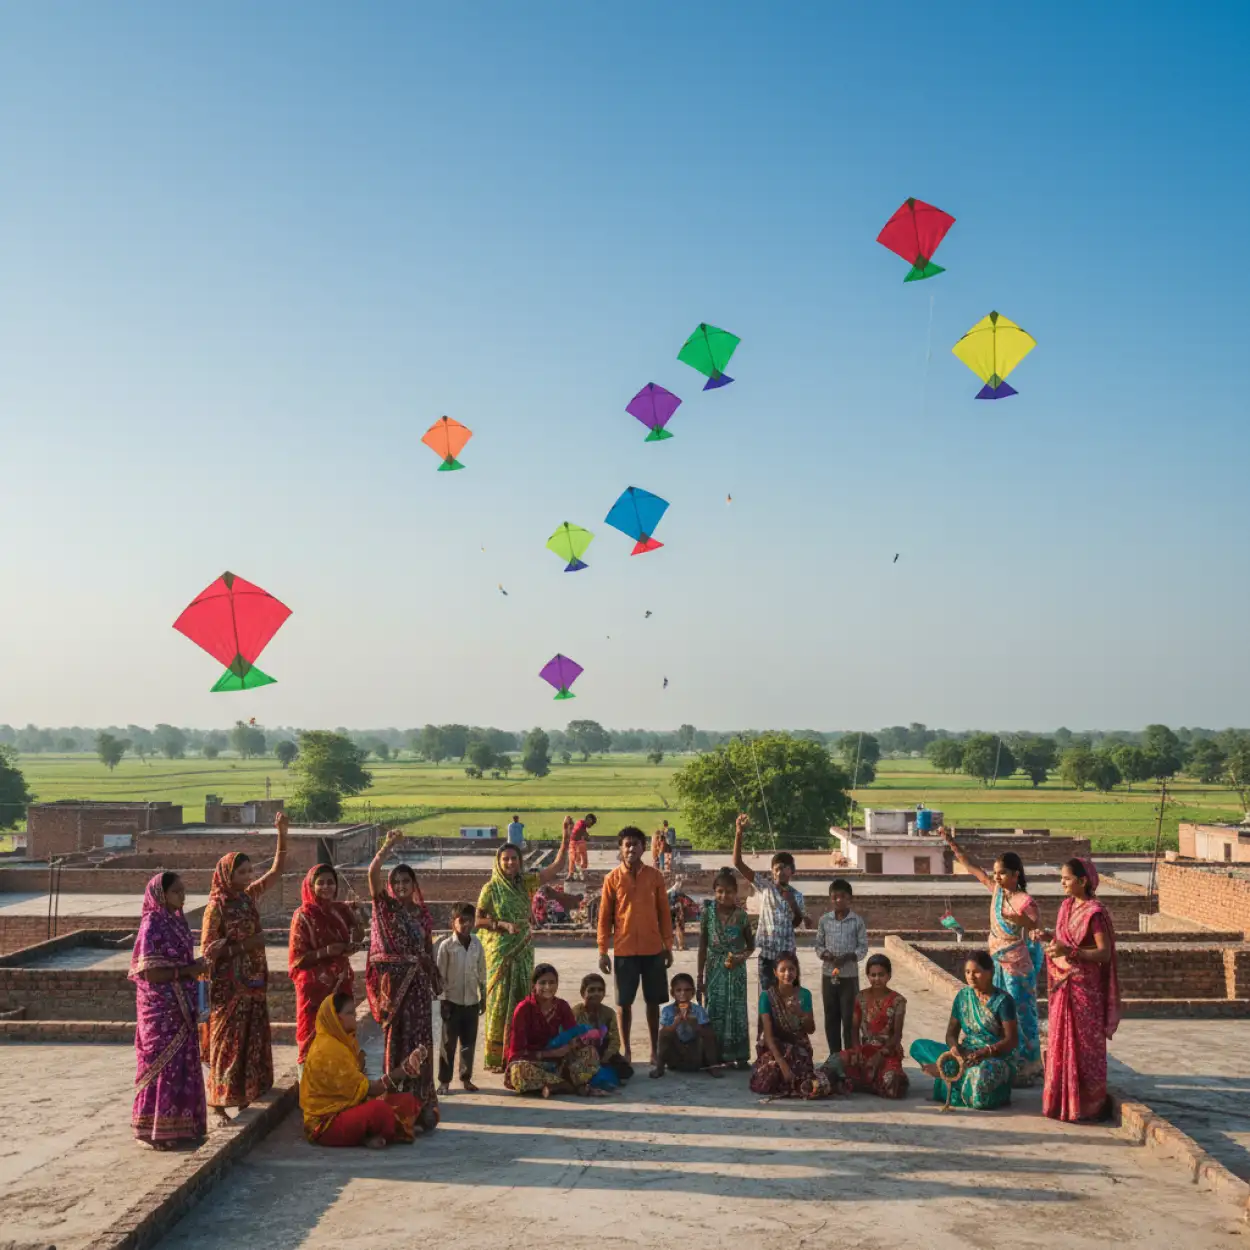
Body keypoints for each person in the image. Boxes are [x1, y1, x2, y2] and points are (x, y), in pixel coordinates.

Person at [201, 812, 288, 1123]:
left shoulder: (247, 898)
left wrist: (282, 833)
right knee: (228, 1043)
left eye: (250, 871)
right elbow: (208, 952)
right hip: (229, 987)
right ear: (227, 874)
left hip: (253, 983)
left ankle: (246, 1094)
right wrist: (244, 946)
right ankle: (219, 1102)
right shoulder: (217, 907)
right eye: (242, 872)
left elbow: (277, 872)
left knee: (251, 1040)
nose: (248, 877)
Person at [941, 829, 1042, 1085]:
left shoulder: (1025, 901)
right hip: (996, 963)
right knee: (998, 1014)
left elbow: (1036, 929)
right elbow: (971, 866)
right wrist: (952, 843)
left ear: (1016, 874)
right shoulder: (996, 892)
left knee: (1021, 1014)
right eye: (996, 872)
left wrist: (1020, 920)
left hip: (1017, 966)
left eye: (1003, 873)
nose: (997, 876)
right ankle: (1004, 1059)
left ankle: (1028, 1066)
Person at [476, 830, 571, 1070]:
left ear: (520, 861)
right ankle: (497, 1056)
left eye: (514, 859)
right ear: (498, 862)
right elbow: (478, 920)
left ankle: (519, 1052)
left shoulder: (526, 882)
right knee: (499, 1002)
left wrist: (565, 837)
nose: (510, 863)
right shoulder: (490, 889)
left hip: (524, 950)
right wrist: (501, 925)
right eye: (505, 859)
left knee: (523, 1001)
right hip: (501, 953)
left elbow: (556, 867)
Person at [130, 872, 209, 1147]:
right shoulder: (152, 924)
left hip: (182, 1006)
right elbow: (150, 973)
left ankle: (183, 1127)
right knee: (162, 1066)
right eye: (176, 892)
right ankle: (155, 1130)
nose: (182, 897)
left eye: (183, 891)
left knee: (183, 1065)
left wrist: (197, 966)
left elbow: (182, 963)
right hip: (160, 1010)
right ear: (161, 895)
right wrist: (189, 970)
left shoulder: (178, 923)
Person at [365, 829, 441, 1117]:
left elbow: (427, 949)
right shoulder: (386, 908)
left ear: (413, 884)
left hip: (418, 989)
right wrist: (387, 846)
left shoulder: (423, 915)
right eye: (395, 881)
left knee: (420, 1039)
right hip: (395, 989)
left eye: (405, 881)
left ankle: (421, 1099)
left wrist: (432, 975)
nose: (400, 886)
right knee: (398, 1039)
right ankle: (395, 1099)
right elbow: (372, 874)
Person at [1041, 857, 1122, 1123]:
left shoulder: (1094, 913)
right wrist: (1045, 938)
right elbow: (1061, 943)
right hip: (1063, 985)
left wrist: (1071, 952)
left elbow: (1104, 953)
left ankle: (1088, 1104)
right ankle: (1061, 1101)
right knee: (1060, 1043)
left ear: (1083, 880)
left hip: (1086, 989)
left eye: (1066, 878)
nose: (1062, 882)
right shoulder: (1065, 907)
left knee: (1086, 1047)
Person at [300, 992, 432, 1147]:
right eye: (349, 1013)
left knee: (406, 1100)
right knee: (380, 1110)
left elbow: (360, 1087)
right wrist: (402, 1070)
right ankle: (397, 1127)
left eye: (354, 1012)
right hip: (326, 1124)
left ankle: (387, 1129)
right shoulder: (328, 1050)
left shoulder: (344, 1041)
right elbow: (372, 1089)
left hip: (349, 1107)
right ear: (335, 1018)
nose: (354, 1016)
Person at [598, 826, 673, 1075]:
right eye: (627, 844)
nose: (631, 848)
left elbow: (664, 914)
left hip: (653, 949)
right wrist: (602, 950)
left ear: (644, 847)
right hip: (624, 949)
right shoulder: (612, 879)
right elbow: (604, 917)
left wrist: (668, 945)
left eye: (636, 844)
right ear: (620, 848)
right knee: (624, 1003)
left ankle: (654, 1050)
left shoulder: (655, 877)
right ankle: (627, 1049)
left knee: (654, 1002)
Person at [910, 952, 1018, 1110]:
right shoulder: (963, 997)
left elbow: (1012, 1040)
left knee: (980, 1079)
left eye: (977, 972)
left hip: (992, 1058)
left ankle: (948, 1075)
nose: (971, 977)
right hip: (965, 1053)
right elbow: (951, 1034)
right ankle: (951, 1071)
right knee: (918, 1046)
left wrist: (985, 1052)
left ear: (991, 972)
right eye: (967, 972)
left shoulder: (1003, 1001)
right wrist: (954, 1048)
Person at [288, 862, 365, 1068]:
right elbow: (297, 959)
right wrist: (327, 952)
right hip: (314, 988)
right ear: (310, 886)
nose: (326, 887)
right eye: (320, 883)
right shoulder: (303, 915)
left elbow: (356, 939)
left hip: (340, 983)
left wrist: (357, 917)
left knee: (341, 1035)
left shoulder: (339, 910)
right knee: (313, 1038)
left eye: (330, 882)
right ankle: (311, 1090)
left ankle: (341, 1088)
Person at [504, 964, 602, 1096]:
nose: (548, 987)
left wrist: (580, 1041)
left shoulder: (562, 1006)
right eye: (542, 983)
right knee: (518, 1072)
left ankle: (552, 1085)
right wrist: (550, 1053)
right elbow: (516, 1053)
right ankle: (570, 1086)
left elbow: (572, 1034)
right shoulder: (523, 1009)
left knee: (591, 1053)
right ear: (534, 986)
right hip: (533, 1062)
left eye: (552, 982)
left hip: (560, 1063)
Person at [731, 813, 804, 991]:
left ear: (792, 872)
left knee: (788, 998)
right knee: (766, 999)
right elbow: (738, 863)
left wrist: (792, 903)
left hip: (787, 957)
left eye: (785, 868)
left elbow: (796, 923)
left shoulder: (797, 895)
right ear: (772, 872)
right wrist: (739, 833)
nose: (781, 872)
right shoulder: (765, 887)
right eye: (777, 869)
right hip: (767, 957)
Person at [750, 951, 832, 1098]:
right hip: (775, 1048)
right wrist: (782, 1064)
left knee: (800, 1070)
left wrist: (800, 1013)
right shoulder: (767, 997)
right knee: (770, 1073)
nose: (787, 974)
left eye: (792, 969)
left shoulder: (804, 995)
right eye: (783, 970)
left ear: (797, 971)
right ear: (775, 973)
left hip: (798, 1047)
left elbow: (811, 1029)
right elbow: (768, 1036)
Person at [697, 868, 753, 1069]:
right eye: (719, 891)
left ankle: (740, 1054)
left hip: (736, 971)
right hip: (714, 969)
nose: (724, 896)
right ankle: (714, 1055)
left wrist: (740, 958)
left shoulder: (741, 916)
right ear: (714, 892)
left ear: (736, 892)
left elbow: (751, 946)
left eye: (728, 892)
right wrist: (699, 978)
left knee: (736, 1009)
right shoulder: (707, 914)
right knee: (714, 1009)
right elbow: (703, 946)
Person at [839, 953, 908, 1099]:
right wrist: (857, 1050)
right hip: (865, 1051)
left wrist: (880, 1055)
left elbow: (897, 1035)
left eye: (881, 975)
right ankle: (868, 1082)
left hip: (888, 1052)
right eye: (873, 975)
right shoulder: (860, 997)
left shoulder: (898, 1001)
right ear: (868, 976)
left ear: (889, 976)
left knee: (892, 1082)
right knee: (836, 1061)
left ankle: (864, 1083)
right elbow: (854, 1028)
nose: (877, 979)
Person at [435, 902, 487, 1095]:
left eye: (470, 920)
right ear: (453, 923)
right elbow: (440, 976)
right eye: (462, 920)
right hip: (452, 1003)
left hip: (471, 1002)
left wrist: (483, 996)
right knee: (448, 1045)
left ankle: (466, 1078)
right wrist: (443, 1001)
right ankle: (444, 1081)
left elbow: (481, 971)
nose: (466, 924)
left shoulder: (476, 944)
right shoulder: (446, 947)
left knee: (468, 1043)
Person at [814, 878, 868, 1056]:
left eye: (843, 897)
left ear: (850, 899)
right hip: (828, 975)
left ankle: (850, 1056)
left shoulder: (856, 921)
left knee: (849, 1017)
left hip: (849, 976)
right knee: (831, 1016)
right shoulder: (824, 921)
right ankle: (834, 1056)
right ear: (831, 899)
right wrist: (827, 955)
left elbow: (863, 948)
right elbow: (818, 946)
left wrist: (849, 957)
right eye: (835, 897)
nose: (839, 900)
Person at [655, 973, 721, 1077]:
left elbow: (708, 1034)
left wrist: (694, 1024)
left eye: (687, 990)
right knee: (664, 1033)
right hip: (675, 1056)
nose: (683, 994)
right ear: (673, 993)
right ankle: (659, 1068)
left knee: (708, 1032)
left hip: (695, 1055)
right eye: (678, 990)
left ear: (693, 992)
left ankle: (713, 1067)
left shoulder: (698, 1010)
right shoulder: (667, 1010)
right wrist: (675, 1023)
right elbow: (663, 1034)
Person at [574, 972, 633, 1081]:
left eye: (600, 990)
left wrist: (606, 1057)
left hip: (603, 1051)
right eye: (591, 990)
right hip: (582, 1051)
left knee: (626, 1071)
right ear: (583, 993)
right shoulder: (575, 1013)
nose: (596, 993)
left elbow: (615, 1040)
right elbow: (569, 1037)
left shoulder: (609, 1013)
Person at [667, 880, 698, 951]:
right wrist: (681, 913)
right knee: (680, 929)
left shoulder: (668, 892)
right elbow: (681, 904)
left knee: (670, 929)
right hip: (677, 911)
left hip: (669, 911)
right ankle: (681, 946)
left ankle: (669, 946)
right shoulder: (679, 894)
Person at [567, 813, 595, 882]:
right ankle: (575, 875)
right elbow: (584, 834)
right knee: (575, 859)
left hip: (578, 841)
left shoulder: (582, 824)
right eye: (591, 824)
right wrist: (587, 837)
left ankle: (579, 873)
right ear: (589, 820)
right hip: (574, 843)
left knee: (581, 858)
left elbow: (584, 833)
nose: (591, 826)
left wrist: (586, 836)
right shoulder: (581, 824)